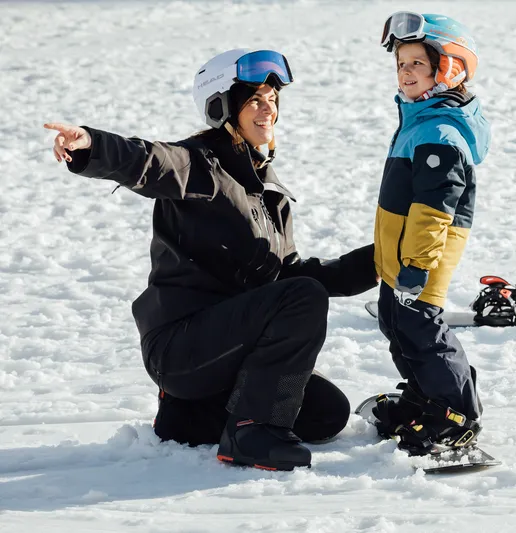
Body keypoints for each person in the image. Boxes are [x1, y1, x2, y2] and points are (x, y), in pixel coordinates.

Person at [45, 48, 377, 471]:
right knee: (301, 299)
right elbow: (149, 160)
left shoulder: (269, 194)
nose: (267, 110)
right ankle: (253, 434)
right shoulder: (199, 165)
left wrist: (382, 259)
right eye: (255, 99)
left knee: (326, 411)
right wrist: (92, 146)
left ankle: (190, 417)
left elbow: (293, 279)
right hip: (181, 347)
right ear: (223, 107)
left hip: (223, 352)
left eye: (273, 99)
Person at [371, 13, 491, 454]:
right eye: (401, 63)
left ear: (449, 69)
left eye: (417, 64)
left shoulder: (439, 134)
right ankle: (424, 398)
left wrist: (416, 267)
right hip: (401, 260)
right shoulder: (419, 123)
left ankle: (456, 413)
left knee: (424, 331)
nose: (405, 72)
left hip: (420, 261)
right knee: (396, 324)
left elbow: (433, 212)